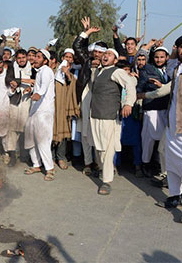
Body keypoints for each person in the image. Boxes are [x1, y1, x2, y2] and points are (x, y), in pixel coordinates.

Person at [89, 48, 137, 195]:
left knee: (108, 150)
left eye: (109, 55)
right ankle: (104, 170)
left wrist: (128, 103)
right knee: (99, 148)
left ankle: (107, 181)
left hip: (109, 116)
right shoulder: (98, 71)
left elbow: (130, 85)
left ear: (115, 60)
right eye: (105, 54)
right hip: (96, 114)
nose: (105, 56)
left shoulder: (117, 71)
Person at [73, 17, 107, 175]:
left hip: (102, 103)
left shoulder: (109, 68)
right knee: (86, 132)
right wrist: (87, 32)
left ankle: (100, 165)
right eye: (96, 52)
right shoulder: (86, 61)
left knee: (100, 133)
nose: (98, 55)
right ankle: (88, 163)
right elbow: (77, 46)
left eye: (101, 53)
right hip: (86, 98)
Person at [161, 34, 182, 223]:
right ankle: (175, 194)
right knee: (172, 161)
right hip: (173, 123)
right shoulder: (176, 68)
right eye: (181, 47)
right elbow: (169, 63)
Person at [137, 46, 174, 177]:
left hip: (165, 109)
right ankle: (145, 164)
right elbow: (140, 90)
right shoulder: (147, 69)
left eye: (162, 57)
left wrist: (162, 86)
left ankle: (159, 165)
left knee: (163, 140)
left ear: (167, 58)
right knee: (148, 139)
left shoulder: (171, 71)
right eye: (157, 57)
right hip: (151, 108)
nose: (159, 59)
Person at [24, 49, 56, 181]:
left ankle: (49, 169)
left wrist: (38, 94)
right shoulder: (39, 72)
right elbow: (39, 87)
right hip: (35, 109)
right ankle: (36, 164)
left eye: (38, 57)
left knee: (43, 139)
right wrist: (32, 90)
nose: (35, 59)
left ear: (45, 60)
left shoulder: (47, 70)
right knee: (30, 137)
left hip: (44, 111)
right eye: (34, 57)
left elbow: (43, 87)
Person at [52, 48, 80, 170]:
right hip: (52, 106)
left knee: (63, 132)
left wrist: (67, 73)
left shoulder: (72, 74)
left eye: (70, 57)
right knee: (51, 131)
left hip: (64, 107)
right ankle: (51, 157)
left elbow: (71, 83)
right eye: (66, 57)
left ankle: (61, 157)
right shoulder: (53, 71)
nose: (67, 59)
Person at [5, 49, 32, 166]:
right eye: (19, 58)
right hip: (14, 100)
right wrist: (20, 81)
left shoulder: (33, 69)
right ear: (16, 59)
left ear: (26, 58)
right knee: (12, 129)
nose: (21, 60)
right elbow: (8, 79)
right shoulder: (12, 67)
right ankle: (12, 155)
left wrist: (30, 87)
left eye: (23, 58)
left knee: (25, 128)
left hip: (27, 101)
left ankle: (25, 155)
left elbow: (36, 82)